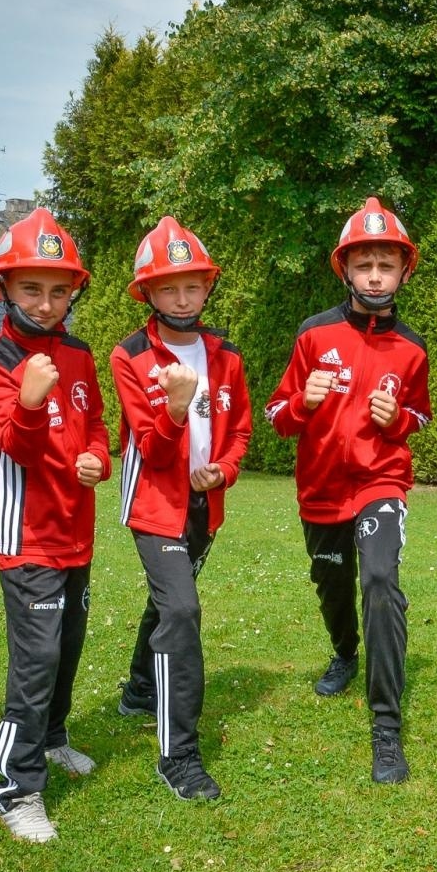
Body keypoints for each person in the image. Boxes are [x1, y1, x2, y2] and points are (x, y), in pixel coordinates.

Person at [265, 197, 432, 783]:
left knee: (381, 582)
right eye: (365, 265)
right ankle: (344, 652)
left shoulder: (413, 347)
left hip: (380, 481)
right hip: (321, 489)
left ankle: (386, 730)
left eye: (386, 264)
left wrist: (398, 420)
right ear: (346, 270)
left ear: (403, 271)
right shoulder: (313, 334)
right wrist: (303, 404)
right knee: (332, 584)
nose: (376, 275)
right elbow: (277, 415)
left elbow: (421, 416)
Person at [0, 208, 109, 841]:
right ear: (3, 287)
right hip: (24, 536)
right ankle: (15, 788)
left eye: (60, 290)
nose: (48, 303)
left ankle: (52, 739)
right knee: (35, 661)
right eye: (32, 288)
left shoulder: (79, 355)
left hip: (76, 531)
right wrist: (29, 400)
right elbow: (16, 445)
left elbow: (99, 428)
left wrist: (97, 461)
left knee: (68, 646)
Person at [110, 216, 252, 800]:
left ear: (208, 287)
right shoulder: (131, 356)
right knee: (183, 612)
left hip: (203, 508)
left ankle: (139, 688)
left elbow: (240, 431)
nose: (182, 297)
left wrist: (226, 469)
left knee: (166, 602)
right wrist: (174, 407)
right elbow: (151, 445)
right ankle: (179, 756)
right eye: (168, 287)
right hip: (152, 504)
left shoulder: (228, 355)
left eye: (192, 285)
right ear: (147, 292)